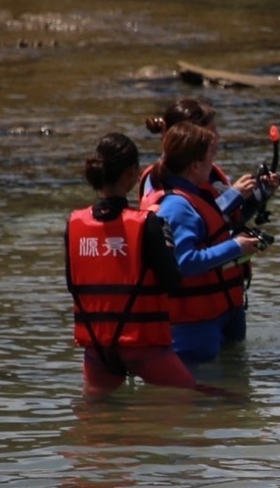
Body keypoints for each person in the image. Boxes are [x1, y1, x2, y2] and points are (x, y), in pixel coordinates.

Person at [66, 133, 196, 398]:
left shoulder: (74, 224)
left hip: (97, 346)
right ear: (132, 172)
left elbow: (73, 284)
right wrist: (166, 239)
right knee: (188, 401)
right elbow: (173, 281)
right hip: (143, 345)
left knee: (95, 419)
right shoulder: (148, 223)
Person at [153, 122, 262, 364]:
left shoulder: (195, 196)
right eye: (210, 157)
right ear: (194, 165)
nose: (213, 164)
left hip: (217, 316)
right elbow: (185, 262)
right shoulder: (177, 207)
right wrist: (236, 247)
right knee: (202, 398)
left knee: (233, 397)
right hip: (193, 329)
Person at [137, 99, 276, 215]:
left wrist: (258, 194)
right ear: (192, 134)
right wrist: (234, 195)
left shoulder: (207, 171)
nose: (218, 137)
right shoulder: (159, 179)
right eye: (212, 131)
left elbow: (224, 224)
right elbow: (185, 221)